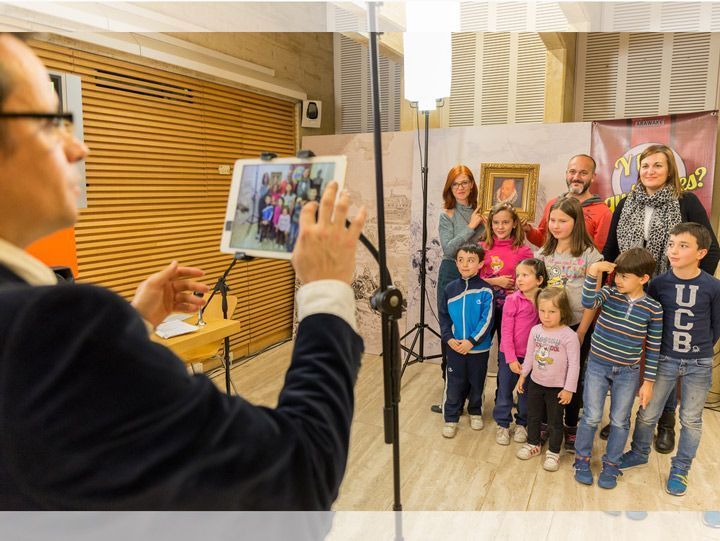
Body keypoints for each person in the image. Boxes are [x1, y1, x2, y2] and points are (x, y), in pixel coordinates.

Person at [0, 33, 367, 510]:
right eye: (52, 124)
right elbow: (299, 475)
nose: (80, 150)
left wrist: (133, 323)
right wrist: (326, 291)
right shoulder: (52, 328)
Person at [602, 144, 720, 452]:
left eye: (658, 165)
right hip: (630, 295)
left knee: (666, 362)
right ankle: (620, 416)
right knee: (627, 358)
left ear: (670, 171)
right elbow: (610, 252)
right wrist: (610, 292)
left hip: (670, 296)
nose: (650, 171)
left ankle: (665, 423)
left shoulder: (687, 202)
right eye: (645, 166)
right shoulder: (625, 203)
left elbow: (711, 249)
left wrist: (690, 283)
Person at [619, 223, 720, 497]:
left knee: (691, 419)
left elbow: (716, 326)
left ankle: (681, 468)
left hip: (698, 364)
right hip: (663, 359)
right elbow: (649, 320)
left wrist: (698, 351)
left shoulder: (713, 286)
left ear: (701, 252)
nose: (674, 250)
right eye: (671, 243)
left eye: (683, 246)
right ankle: (639, 452)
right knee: (647, 411)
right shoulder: (659, 283)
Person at [573, 248, 663, 489]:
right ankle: (581, 460)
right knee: (591, 416)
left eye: (625, 276)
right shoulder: (608, 293)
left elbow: (653, 347)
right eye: (618, 275)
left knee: (621, 421)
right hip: (597, 365)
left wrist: (648, 382)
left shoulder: (654, 309)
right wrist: (593, 272)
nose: (619, 280)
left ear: (643, 279)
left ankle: (611, 465)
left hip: (628, 371)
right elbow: (587, 302)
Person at [535, 196, 603, 450]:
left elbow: (593, 298)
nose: (555, 225)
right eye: (552, 220)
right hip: (550, 327)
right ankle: (544, 423)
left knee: (573, 377)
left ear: (576, 223)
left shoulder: (590, 255)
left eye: (562, 220)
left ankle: (571, 425)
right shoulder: (544, 253)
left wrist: (583, 331)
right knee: (547, 373)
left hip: (576, 327)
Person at [431, 165, 485, 414]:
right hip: (451, 273)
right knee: (450, 333)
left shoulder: (482, 210)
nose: (461, 188)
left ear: (472, 184)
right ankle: (451, 399)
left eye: (465, 182)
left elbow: (488, 245)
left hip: (477, 276)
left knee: (475, 330)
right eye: (456, 184)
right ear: (450, 188)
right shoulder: (448, 214)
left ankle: (474, 399)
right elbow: (449, 249)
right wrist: (472, 226)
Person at [515, 288, 580, 472]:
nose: (546, 316)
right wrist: (523, 376)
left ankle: (553, 452)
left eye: (552, 311)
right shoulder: (535, 331)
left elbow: (575, 365)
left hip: (557, 388)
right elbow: (529, 356)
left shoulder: (569, 336)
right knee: (534, 416)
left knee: (555, 421)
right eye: (542, 311)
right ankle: (533, 443)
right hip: (535, 382)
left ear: (563, 311)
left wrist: (569, 389)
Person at [438, 244, 494, 438]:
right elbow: (444, 317)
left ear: (480, 264)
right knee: (454, 383)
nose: (465, 264)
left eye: (471, 260)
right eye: (461, 260)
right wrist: (449, 339)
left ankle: (475, 411)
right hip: (454, 348)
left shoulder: (486, 290)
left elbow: (487, 320)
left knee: (477, 382)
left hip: (478, 349)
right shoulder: (450, 289)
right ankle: (451, 417)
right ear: (456, 263)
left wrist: (471, 341)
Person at [479, 203, 533, 403]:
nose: (500, 227)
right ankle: (476, 393)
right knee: (480, 350)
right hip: (485, 308)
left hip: (511, 312)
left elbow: (531, 280)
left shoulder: (523, 251)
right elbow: (472, 279)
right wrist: (496, 282)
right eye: (496, 223)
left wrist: (518, 289)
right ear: (490, 224)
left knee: (506, 353)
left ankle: (503, 397)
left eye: (505, 222)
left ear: (514, 224)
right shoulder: (482, 247)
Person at [493, 258, 547, 446]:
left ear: (539, 280)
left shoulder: (544, 301)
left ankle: (522, 423)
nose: (519, 279)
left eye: (525, 275)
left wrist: (531, 361)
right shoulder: (512, 300)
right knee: (505, 390)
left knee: (526, 393)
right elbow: (506, 332)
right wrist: (511, 358)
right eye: (518, 276)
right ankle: (502, 423)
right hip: (510, 355)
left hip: (532, 358)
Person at [524, 154, 612, 252]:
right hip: (551, 266)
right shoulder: (553, 204)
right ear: (566, 174)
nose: (576, 177)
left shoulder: (603, 212)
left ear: (593, 177)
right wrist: (528, 229)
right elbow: (543, 241)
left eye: (583, 173)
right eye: (572, 172)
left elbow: (599, 252)